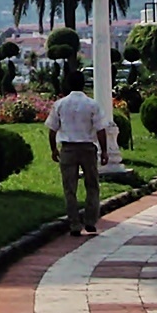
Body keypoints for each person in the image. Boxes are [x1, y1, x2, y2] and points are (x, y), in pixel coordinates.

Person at [46, 71, 106, 237]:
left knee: (69, 188)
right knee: (92, 185)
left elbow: (52, 130)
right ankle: (90, 220)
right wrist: (105, 151)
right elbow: (101, 130)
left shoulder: (60, 104)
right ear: (83, 84)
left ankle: (74, 224)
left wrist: (53, 149)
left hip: (68, 148)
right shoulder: (92, 104)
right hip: (88, 148)